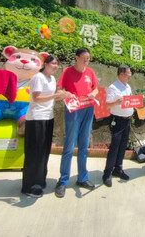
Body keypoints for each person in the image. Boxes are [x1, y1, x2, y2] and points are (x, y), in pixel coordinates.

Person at [22, 55, 72, 198]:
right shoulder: (38, 77)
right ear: (46, 64)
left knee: (43, 152)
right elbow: (36, 98)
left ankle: (39, 181)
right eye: (53, 64)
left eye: (57, 64)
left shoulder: (52, 79)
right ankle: (29, 186)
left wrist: (65, 94)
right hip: (36, 118)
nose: (55, 67)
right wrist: (55, 96)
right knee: (34, 153)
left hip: (48, 118)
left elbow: (55, 94)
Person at [55, 47, 99, 198]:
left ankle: (82, 178)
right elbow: (59, 91)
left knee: (84, 146)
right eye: (84, 58)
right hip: (73, 110)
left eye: (88, 58)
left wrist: (93, 93)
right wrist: (66, 94)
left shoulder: (90, 72)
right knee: (69, 145)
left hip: (88, 109)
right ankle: (63, 181)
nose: (87, 61)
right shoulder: (67, 71)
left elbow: (96, 89)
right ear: (77, 58)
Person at [102, 65, 134, 187]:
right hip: (117, 120)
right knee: (115, 146)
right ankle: (107, 173)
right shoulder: (113, 87)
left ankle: (118, 168)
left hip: (127, 121)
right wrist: (116, 102)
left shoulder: (127, 86)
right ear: (121, 74)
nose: (130, 75)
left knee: (122, 146)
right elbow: (107, 105)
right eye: (128, 73)